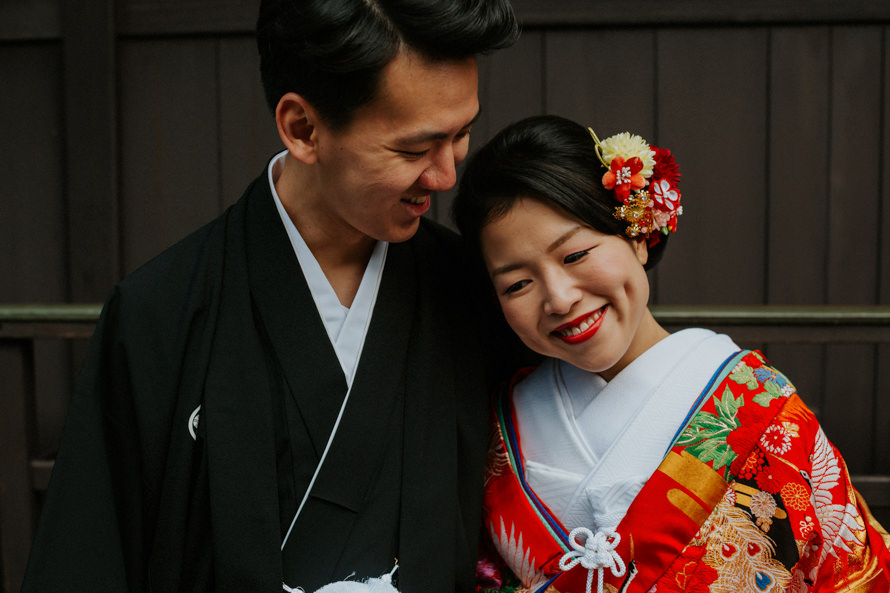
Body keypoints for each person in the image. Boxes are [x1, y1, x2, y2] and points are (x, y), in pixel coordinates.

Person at [22, 1, 520, 591]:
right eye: (414, 150)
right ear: (303, 128)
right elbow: (86, 558)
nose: (444, 176)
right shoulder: (160, 312)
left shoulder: (475, 291)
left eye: (461, 135)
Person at [452, 115, 890, 593]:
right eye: (517, 284)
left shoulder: (761, 411)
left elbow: (849, 575)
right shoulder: (494, 433)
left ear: (637, 233)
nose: (558, 299)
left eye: (575, 255)